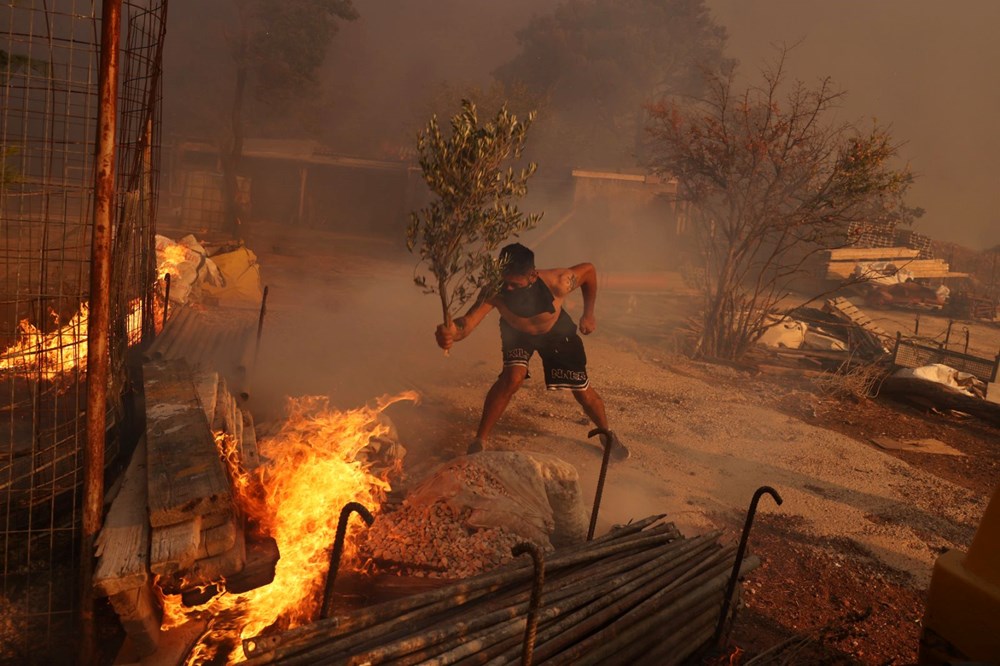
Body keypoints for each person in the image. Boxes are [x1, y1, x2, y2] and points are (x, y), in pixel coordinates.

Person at [434, 243, 629, 460]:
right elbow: (467, 324)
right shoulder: (494, 291)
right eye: (504, 281)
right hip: (517, 333)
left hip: (556, 332)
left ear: (532, 276)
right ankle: (479, 441)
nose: (507, 289)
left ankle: (607, 435)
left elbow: (589, 271)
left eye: (514, 285)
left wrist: (589, 314)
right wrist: (450, 333)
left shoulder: (559, 282)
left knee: (581, 390)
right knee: (512, 378)